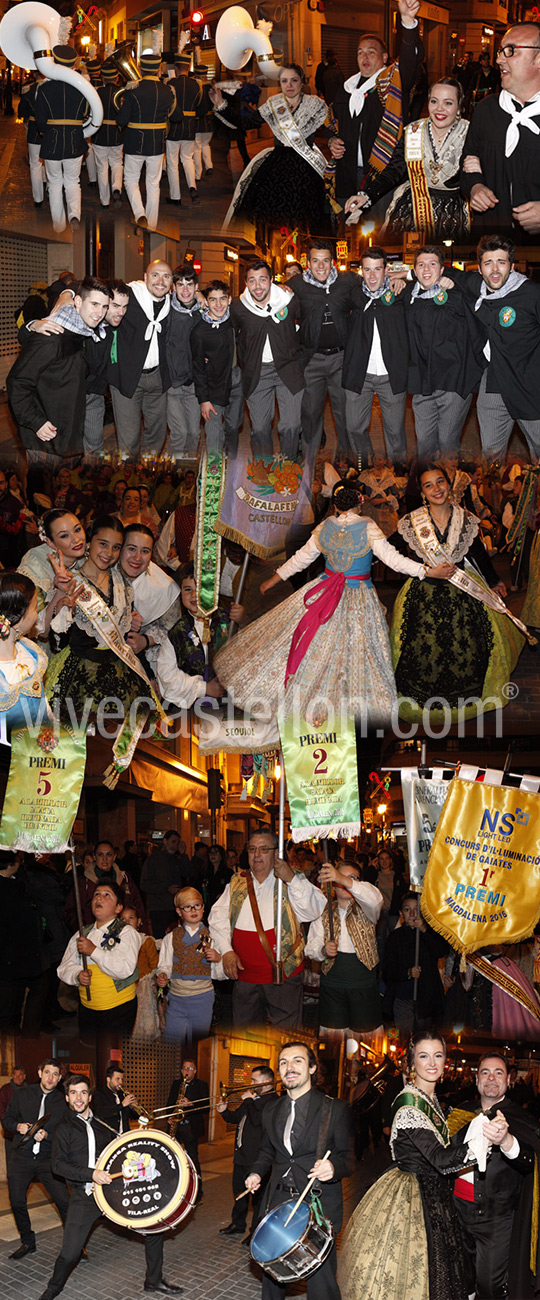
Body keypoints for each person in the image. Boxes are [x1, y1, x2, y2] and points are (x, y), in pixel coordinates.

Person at [214, 480, 446, 732]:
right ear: (360, 503)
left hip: (323, 592)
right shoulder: (368, 526)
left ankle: (308, 706)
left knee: (311, 645)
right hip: (359, 594)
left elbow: (301, 559)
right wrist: (427, 571)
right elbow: (394, 560)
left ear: (335, 506)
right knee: (357, 650)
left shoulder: (325, 526)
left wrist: (274, 578)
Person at [343, 1033, 517, 1300]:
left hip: (434, 1192)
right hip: (412, 1195)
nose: (432, 1062)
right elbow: (441, 1159)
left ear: (446, 1061)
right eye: (424, 1056)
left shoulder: (430, 1099)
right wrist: (485, 1139)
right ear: (412, 1063)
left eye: (438, 1055)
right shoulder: (410, 1103)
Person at [390, 463, 525, 721]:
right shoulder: (411, 522)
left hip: (463, 591)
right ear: (422, 492)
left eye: (440, 482)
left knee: (469, 644)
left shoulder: (465, 518)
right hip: (423, 593)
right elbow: (389, 549)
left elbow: (477, 553)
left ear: (448, 485)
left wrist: (495, 580)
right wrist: (419, 569)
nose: (436, 489)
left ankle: (466, 695)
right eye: (428, 485)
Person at [37, 1074, 182, 1300]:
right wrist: (91, 1174)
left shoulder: (101, 1122)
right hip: (84, 1196)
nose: (78, 1098)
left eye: (83, 1092)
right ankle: (53, 1288)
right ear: (67, 1097)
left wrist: (140, 1136)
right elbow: (58, 1165)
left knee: (154, 1226)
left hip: (112, 1192)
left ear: (90, 1096)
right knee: (71, 1251)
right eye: (73, 1093)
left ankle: (153, 1281)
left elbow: (120, 1150)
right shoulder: (63, 1128)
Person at [245, 1041, 355, 1300]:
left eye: (297, 1061)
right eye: (283, 1062)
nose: (289, 1067)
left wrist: (333, 1167)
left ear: (313, 1068)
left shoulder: (335, 1108)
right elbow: (266, 1152)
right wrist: (256, 1173)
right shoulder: (270, 1109)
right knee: (272, 1276)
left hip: (318, 1203)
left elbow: (349, 1158)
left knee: (321, 1281)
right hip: (279, 1201)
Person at [208, 828, 327, 1028]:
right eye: (252, 849)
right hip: (244, 978)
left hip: (284, 977)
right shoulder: (237, 882)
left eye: (264, 849)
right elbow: (216, 918)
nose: (257, 854)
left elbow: (314, 911)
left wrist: (291, 880)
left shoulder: (293, 880)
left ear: (275, 853)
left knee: (286, 1038)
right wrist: (226, 951)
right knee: (246, 1040)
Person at [452, 1052, 540, 1300]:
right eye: (485, 1072)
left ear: (509, 1080)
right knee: (461, 1281)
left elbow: (530, 1161)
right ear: (476, 1080)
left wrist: (506, 1141)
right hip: (456, 1213)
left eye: (498, 1072)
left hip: (496, 1218)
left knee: (490, 1287)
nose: (491, 1078)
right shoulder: (458, 1114)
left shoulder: (520, 1118)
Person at [445, 236, 540, 462]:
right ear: (479, 269)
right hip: (494, 383)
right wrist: (406, 276)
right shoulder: (478, 287)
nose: (495, 269)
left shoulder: (531, 294)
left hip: (530, 387)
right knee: (491, 459)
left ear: (512, 266)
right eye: (488, 263)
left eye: (502, 262)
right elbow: (450, 273)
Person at [345, 78, 469, 240]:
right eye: (434, 101)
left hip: (452, 213)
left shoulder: (469, 133)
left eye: (448, 103)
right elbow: (394, 171)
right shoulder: (413, 132)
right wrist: (366, 195)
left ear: (459, 106)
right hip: (412, 209)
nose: (439, 109)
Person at [212, 65, 330, 233]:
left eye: (294, 80)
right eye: (284, 81)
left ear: (301, 83)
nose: (289, 85)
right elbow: (245, 123)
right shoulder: (274, 104)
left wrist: (333, 141)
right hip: (277, 165)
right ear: (280, 84)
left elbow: (331, 129)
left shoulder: (316, 104)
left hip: (307, 167)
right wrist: (221, 104)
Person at [7, 277, 110, 467]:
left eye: (104, 307)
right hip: (44, 441)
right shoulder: (52, 336)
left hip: (64, 437)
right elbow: (17, 382)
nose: (99, 313)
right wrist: (36, 422)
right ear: (78, 302)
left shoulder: (81, 333)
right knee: (41, 493)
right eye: (94, 304)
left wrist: (67, 292)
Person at [330, 1, 423, 208]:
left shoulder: (392, 84)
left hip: (382, 180)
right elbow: (332, 123)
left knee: (380, 236)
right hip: (347, 176)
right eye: (360, 52)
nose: (365, 57)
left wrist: (408, 23)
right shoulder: (346, 89)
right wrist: (331, 142)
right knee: (350, 236)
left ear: (384, 57)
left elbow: (410, 63)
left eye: (371, 52)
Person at [400, 245, 485, 458]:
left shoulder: (457, 293)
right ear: (415, 270)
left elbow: (482, 283)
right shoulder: (408, 295)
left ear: (442, 269)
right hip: (422, 385)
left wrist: (453, 278)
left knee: (447, 443)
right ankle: (428, 487)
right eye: (421, 265)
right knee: (425, 446)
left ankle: (451, 489)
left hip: (453, 384)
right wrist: (399, 278)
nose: (426, 269)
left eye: (432, 264)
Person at [460, 22, 540, 240]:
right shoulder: (486, 109)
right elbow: (469, 159)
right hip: (489, 239)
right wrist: (475, 187)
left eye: (510, 50)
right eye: (500, 51)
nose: (498, 59)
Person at [230, 260, 304, 459]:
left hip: (288, 370)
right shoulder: (238, 307)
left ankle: (288, 468)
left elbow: (308, 321)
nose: (258, 286)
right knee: (260, 429)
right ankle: (263, 472)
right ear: (245, 282)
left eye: (263, 279)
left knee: (291, 426)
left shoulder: (289, 300)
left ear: (271, 280)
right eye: (252, 281)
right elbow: (226, 330)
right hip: (257, 373)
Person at [341, 247, 409, 465]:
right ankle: (364, 466)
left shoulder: (400, 293)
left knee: (395, 432)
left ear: (386, 270)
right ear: (361, 270)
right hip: (359, 374)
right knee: (354, 428)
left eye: (377, 269)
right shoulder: (354, 295)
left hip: (391, 375)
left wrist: (403, 278)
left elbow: (427, 279)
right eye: (367, 269)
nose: (372, 275)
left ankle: (398, 474)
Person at [288, 241, 354, 462]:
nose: (321, 265)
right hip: (312, 361)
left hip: (341, 359)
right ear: (308, 263)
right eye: (315, 260)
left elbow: (376, 282)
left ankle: (346, 461)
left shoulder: (347, 281)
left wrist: (407, 276)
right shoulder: (296, 284)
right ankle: (309, 462)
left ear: (332, 262)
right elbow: (265, 292)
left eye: (326, 260)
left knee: (344, 414)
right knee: (310, 414)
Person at [305, 862, 383, 1034]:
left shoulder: (368, 909)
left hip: (363, 984)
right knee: (333, 1036)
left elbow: (375, 899)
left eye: (352, 878)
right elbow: (311, 947)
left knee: (366, 1035)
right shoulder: (324, 912)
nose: (345, 882)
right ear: (332, 886)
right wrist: (323, 951)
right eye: (339, 878)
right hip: (333, 984)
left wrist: (343, 878)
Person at [3, 1059, 69, 1260]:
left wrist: (47, 1136)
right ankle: (27, 1242)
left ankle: (74, 1245)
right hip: (21, 1157)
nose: (51, 1078)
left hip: (48, 1159)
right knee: (17, 1202)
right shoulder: (22, 1094)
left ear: (59, 1078)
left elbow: (66, 1132)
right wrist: (18, 1127)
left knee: (64, 1202)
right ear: (40, 1072)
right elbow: (6, 1119)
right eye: (47, 1072)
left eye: (55, 1074)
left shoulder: (63, 1101)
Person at [57, 881, 141, 1037]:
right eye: (96, 894)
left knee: (112, 1055)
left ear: (118, 908)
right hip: (88, 1008)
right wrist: (77, 975)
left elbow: (124, 969)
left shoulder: (127, 933)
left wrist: (93, 951)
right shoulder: (82, 934)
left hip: (118, 1008)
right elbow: (64, 967)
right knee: (89, 1053)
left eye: (106, 895)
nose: (99, 898)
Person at [109, 260, 173, 459]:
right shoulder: (129, 295)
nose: (160, 281)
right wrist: (66, 295)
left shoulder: (173, 302)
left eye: (166, 276)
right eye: (155, 275)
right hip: (127, 379)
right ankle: (129, 482)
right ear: (145, 277)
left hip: (158, 379)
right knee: (129, 439)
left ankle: (147, 477)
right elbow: (90, 292)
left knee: (157, 434)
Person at [116, 50, 176, 230]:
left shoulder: (133, 89)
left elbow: (121, 120)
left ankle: (139, 213)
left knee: (131, 180)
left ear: (140, 69)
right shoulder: (168, 90)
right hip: (157, 143)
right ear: (159, 70)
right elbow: (177, 115)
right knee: (153, 183)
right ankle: (152, 223)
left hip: (135, 141)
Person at [34, 45, 91, 232]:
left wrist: (49, 131)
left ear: (55, 63)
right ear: (73, 64)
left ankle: (58, 226)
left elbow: (40, 122)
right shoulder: (83, 88)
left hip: (52, 140)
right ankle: (74, 215)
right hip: (75, 138)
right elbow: (87, 114)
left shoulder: (44, 89)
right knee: (73, 181)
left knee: (55, 183)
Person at [217, 1065, 277, 1240]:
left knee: (257, 1200)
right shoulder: (254, 1098)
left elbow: (258, 1121)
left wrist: (250, 1101)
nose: (250, 1083)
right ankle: (238, 1224)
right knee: (239, 1193)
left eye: (254, 1080)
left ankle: (255, 1233)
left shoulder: (273, 1101)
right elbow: (238, 1118)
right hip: (241, 1156)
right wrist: (224, 1112)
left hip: (258, 1159)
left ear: (266, 1082)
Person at [156, 886, 220, 1043]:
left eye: (197, 905)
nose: (193, 910)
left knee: (198, 1043)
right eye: (187, 907)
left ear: (203, 907)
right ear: (179, 911)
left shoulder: (214, 936)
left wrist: (218, 958)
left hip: (202, 998)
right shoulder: (170, 938)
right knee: (171, 1041)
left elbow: (222, 972)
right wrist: (162, 976)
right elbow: (164, 965)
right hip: (177, 999)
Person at [382, 892, 448, 1038]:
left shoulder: (430, 933)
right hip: (403, 997)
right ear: (401, 914)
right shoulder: (395, 938)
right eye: (407, 910)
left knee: (423, 1037)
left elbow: (440, 951)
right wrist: (408, 972)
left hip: (425, 998)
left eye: (416, 909)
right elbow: (388, 969)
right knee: (404, 1038)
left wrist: (424, 930)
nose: (412, 913)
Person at [190, 280, 244, 456]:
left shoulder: (235, 321)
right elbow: (198, 368)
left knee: (233, 426)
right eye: (213, 300)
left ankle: (233, 464)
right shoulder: (199, 332)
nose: (219, 304)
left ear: (229, 300)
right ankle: (214, 473)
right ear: (206, 302)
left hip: (236, 380)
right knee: (214, 433)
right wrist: (203, 399)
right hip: (212, 387)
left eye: (223, 299)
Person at [0, 573, 48, 733]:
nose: (36, 614)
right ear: (17, 618)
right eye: (35, 608)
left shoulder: (31, 654)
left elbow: (43, 706)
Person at [64, 840, 146, 932]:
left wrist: (139, 930)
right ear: (94, 856)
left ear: (114, 857)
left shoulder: (125, 879)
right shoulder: (84, 882)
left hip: (124, 933)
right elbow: (71, 911)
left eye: (109, 855)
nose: (105, 859)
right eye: (100, 854)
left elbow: (138, 907)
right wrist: (86, 930)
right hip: (94, 934)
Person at [166, 265, 203, 460]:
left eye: (189, 284)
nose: (185, 290)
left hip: (194, 384)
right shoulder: (166, 311)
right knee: (178, 432)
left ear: (196, 287)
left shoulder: (202, 312)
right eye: (180, 285)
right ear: (173, 288)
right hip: (173, 384)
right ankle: (175, 471)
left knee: (195, 433)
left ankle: (189, 468)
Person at [166, 55, 208, 206]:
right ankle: (192, 187)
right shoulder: (198, 84)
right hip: (190, 126)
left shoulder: (169, 83)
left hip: (173, 127)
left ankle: (175, 196)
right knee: (187, 158)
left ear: (176, 69)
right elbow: (203, 108)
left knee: (172, 162)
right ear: (188, 68)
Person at [167, 1060, 209, 1202]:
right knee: (173, 1159)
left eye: (190, 1068)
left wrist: (190, 1103)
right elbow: (169, 1102)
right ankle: (175, 1190)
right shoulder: (176, 1084)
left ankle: (198, 1193)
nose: (186, 1071)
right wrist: (170, 1115)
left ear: (195, 1071)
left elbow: (206, 1107)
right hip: (177, 1127)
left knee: (193, 1160)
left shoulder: (202, 1085)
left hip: (191, 1127)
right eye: (184, 1068)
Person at [140, 829, 193, 939]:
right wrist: (166, 888)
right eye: (173, 842)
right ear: (165, 841)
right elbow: (144, 884)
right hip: (159, 908)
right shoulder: (153, 860)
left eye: (177, 843)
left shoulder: (177, 859)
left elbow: (188, 873)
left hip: (175, 907)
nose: (175, 846)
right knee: (161, 940)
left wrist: (183, 855)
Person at [91, 1062, 140, 1134]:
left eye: (121, 1079)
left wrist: (134, 1108)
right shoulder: (99, 1094)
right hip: (108, 1136)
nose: (120, 1082)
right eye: (117, 1079)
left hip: (124, 1135)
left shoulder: (122, 1094)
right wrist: (122, 1105)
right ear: (108, 1079)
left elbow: (134, 1117)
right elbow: (101, 1113)